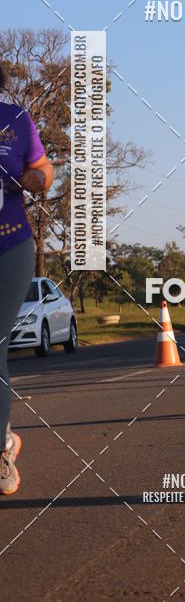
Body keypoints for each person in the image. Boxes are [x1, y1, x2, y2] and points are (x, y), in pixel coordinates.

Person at [0, 64, 53, 495]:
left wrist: (35, 179)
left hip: (9, 246)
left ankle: (0, 452)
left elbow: (43, 170)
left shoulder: (14, 119)